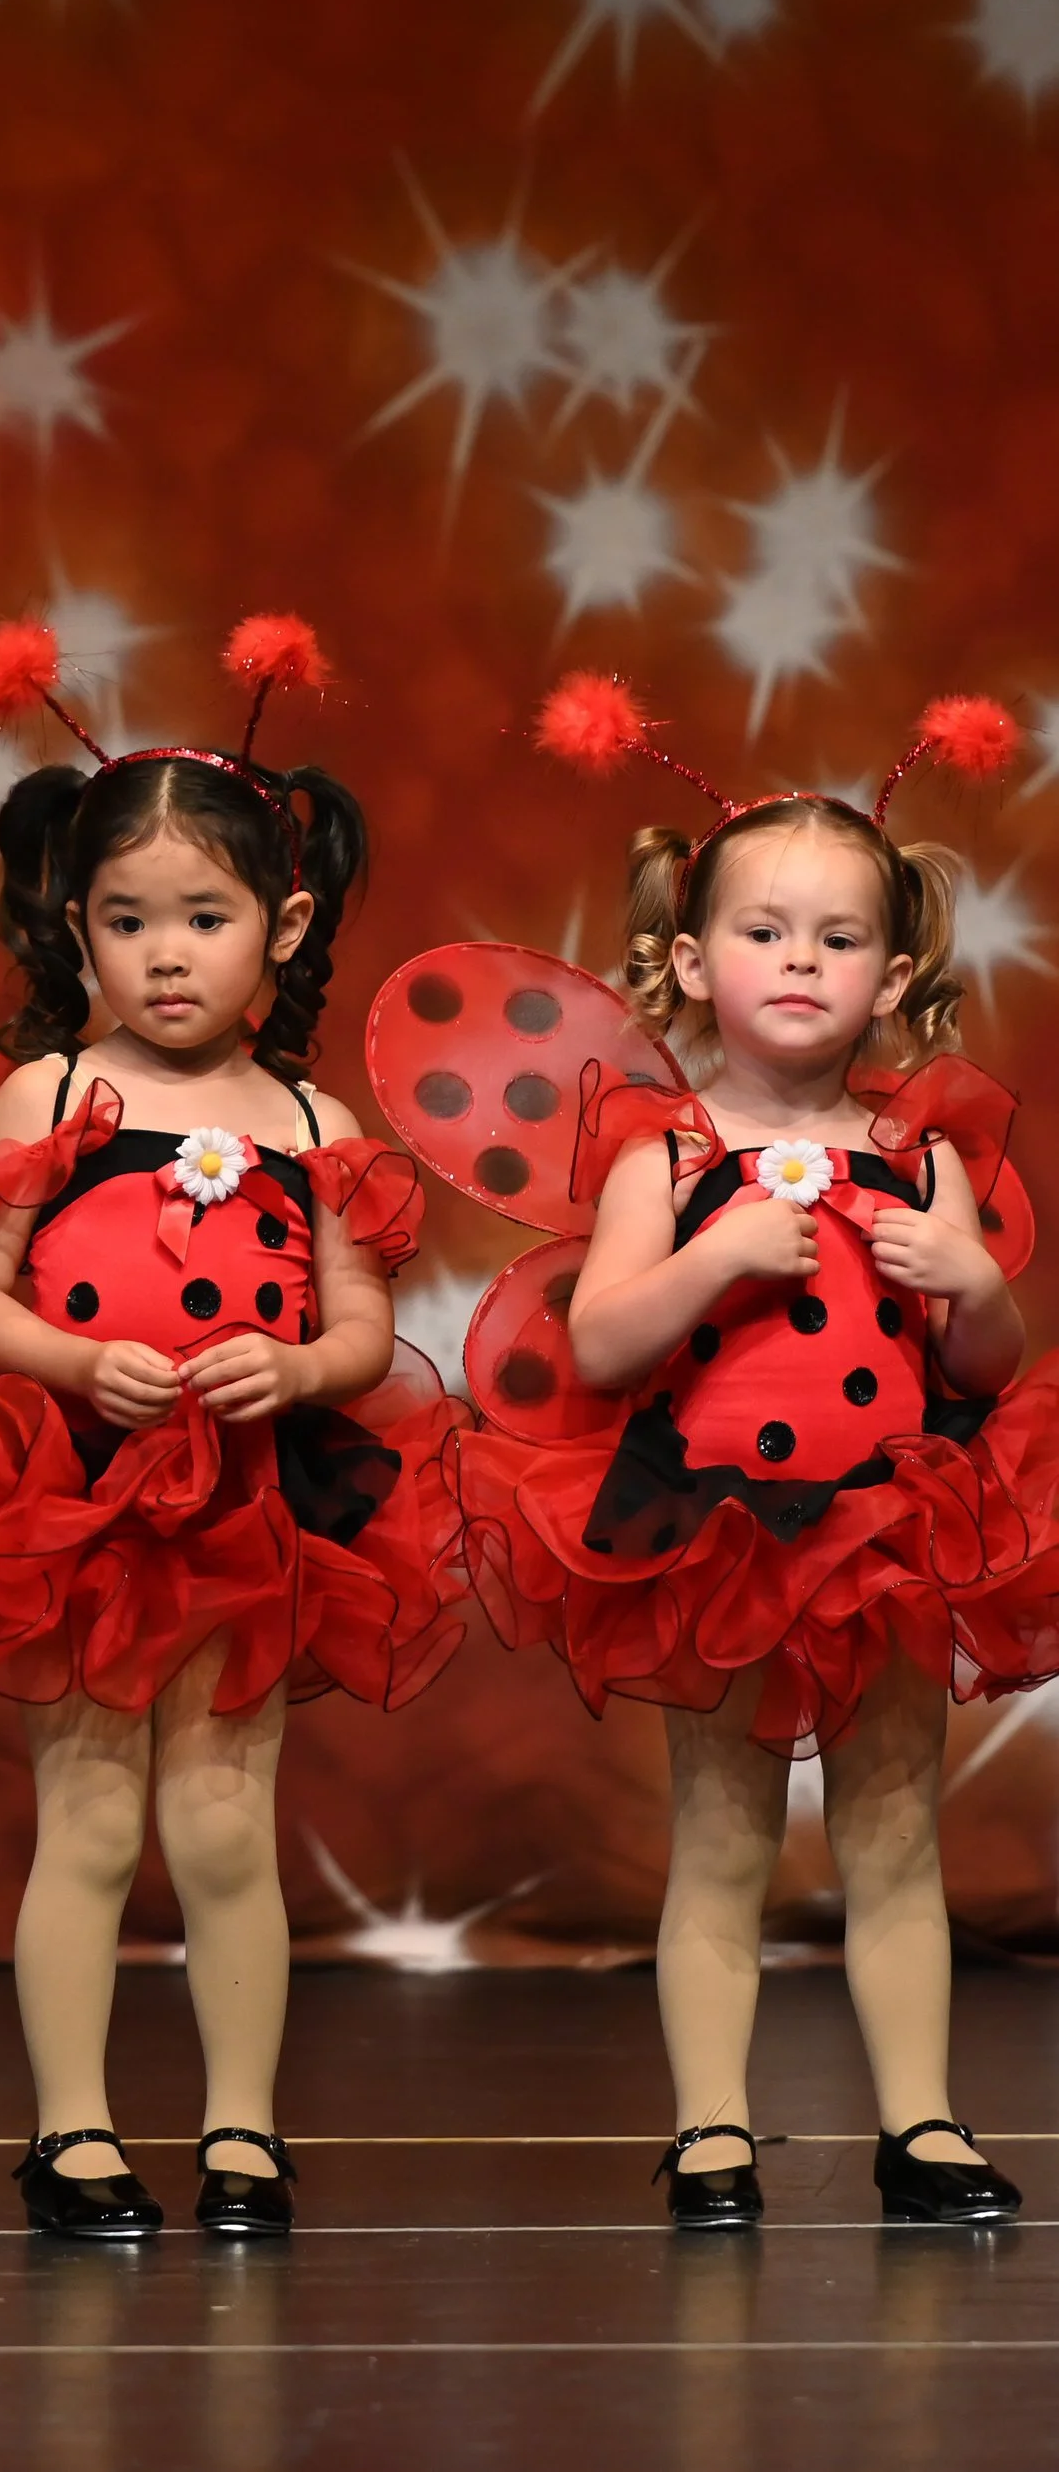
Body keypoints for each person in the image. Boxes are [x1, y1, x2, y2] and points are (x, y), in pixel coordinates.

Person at [0, 618, 466, 2241]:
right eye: (127, 922)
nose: (166, 954)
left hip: (256, 1506)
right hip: (80, 1496)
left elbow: (365, 1325)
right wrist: (66, 1358)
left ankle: (242, 2130)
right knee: (94, 1813)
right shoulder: (49, 1099)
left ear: (284, 926)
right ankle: (75, 2132)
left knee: (226, 1821)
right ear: (76, 930)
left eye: (205, 917)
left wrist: (302, 1374)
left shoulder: (314, 1123)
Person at [451, 673, 1059, 2229]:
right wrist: (719, 1262)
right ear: (687, 957)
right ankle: (712, 2128)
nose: (800, 962)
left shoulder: (925, 1153)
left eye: (838, 940)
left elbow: (982, 1370)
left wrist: (972, 1283)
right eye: (764, 932)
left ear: (895, 970)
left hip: (887, 1526)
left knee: (894, 1829)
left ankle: (920, 2124)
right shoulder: (666, 1150)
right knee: (719, 1835)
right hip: (712, 1532)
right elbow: (600, 1344)